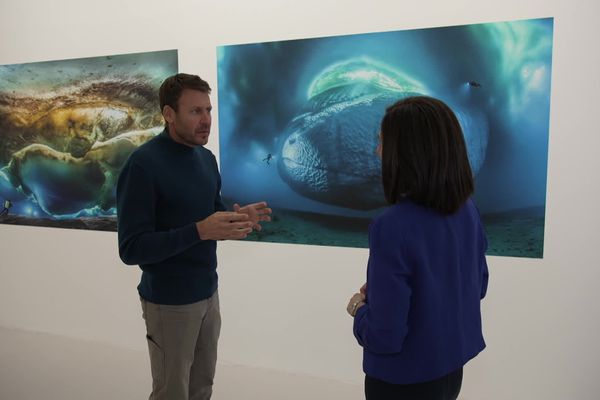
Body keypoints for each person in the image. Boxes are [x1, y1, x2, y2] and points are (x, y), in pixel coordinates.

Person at [116, 73, 271, 400]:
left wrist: (236, 219)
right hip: (168, 302)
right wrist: (200, 230)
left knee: (202, 388)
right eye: (195, 111)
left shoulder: (206, 159)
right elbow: (132, 248)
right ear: (169, 114)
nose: (206, 121)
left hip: (207, 294)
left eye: (209, 110)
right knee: (172, 393)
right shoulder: (143, 165)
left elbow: (211, 214)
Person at [346, 96, 489, 400]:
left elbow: (385, 336)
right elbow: (477, 286)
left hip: (402, 381)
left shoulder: (392, 225)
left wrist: (359, 309)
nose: (377, 151)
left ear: (407, 153)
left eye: (383, 142)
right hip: (450, 371)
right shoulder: (468, 209)